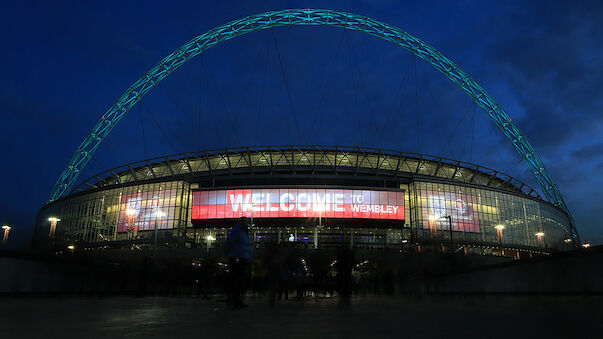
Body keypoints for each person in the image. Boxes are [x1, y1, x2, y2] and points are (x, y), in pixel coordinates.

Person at [225, 217, 253, 308]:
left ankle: (236, 300)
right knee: (236, 280)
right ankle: (234, 300)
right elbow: (229, 243)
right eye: (246, 222)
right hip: (237, 258)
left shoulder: (242, 232)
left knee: (239, 280)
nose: (247, 224)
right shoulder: (238, 232)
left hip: (241, 258)